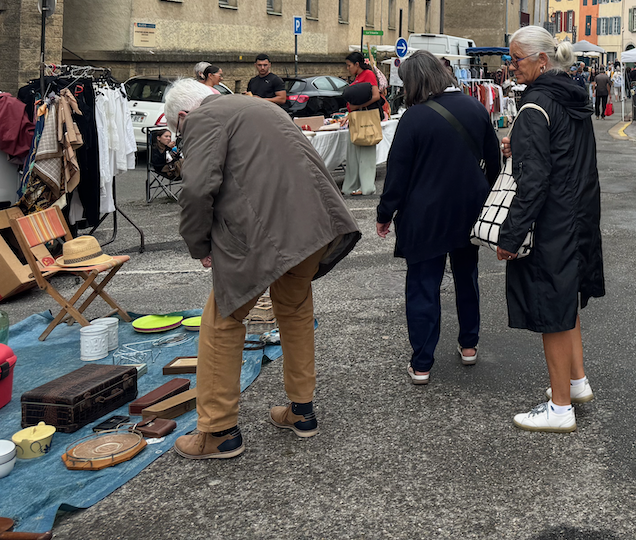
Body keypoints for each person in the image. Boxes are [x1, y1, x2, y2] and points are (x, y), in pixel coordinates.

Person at [164, 79, 361, 460]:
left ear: (185, 116)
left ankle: (218, 431)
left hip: (264, 233)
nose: (180, 136)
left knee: (222, 320)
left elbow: (197, 188)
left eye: (178, 131)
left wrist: (199, 244)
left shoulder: (203, 119)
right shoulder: (260, 106)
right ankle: (301, 412)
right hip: (315, 225)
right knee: (296, 309)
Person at [496, 26, 603, 433]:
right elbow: (563, 153)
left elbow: (534, 180)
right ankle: (576, 383)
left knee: (551, 311)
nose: (512, 67)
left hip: (552, 221)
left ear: (542, 60)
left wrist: (509, 237)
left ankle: (560, 408)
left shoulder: (536, 105)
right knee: (566, 302)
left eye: (517, 59)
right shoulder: (571, 97)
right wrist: (518, 144)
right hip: (578, 214)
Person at [376, 51, 500, 384]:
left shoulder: (414, 119)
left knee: (423, 286)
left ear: (416, 81)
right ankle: (469, 345)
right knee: (466, 277)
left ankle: (422, 363)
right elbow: (494, 161)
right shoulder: (476, 109)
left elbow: (397, 175)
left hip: (424, 214)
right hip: (468, 210)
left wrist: (384, 213)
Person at [342, 52, 383, 197]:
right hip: (356, 117)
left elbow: (376, 96)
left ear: (357, 64)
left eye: (349, 65)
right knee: (353, 153)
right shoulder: (359, 77)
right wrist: (349, 114)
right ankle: (352, 185)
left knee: (365, 153)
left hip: (365, 116)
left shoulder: (368, 74)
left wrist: (356, 108)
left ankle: (366, 186)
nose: (348, 68)